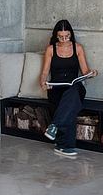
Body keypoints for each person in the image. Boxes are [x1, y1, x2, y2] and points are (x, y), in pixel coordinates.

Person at [39, 19, 97, 157]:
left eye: (67, 36)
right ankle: (64, 145)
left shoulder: (78, 48)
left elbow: (85, 71)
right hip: (57, 88)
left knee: (73, 94)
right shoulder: (50, 49)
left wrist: (92, 73)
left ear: (71, 34)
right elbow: (44, 72)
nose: (64, 39)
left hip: (74, 86)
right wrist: (43, 83)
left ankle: (55, 128)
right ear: (56, 35)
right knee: (70, 103)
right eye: (61, 36)